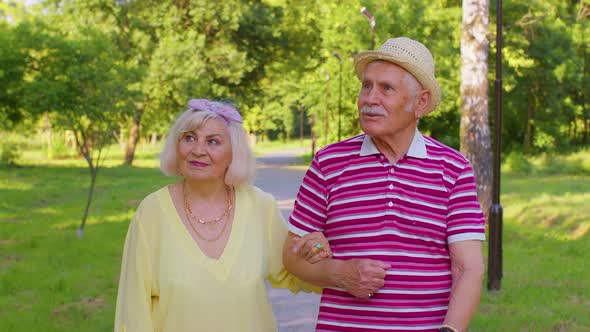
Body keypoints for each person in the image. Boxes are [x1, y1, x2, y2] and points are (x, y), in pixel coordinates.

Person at [283, 37, 486, 332]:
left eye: (386, 88)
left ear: (421, 102)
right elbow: (291, 256)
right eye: (366, 86)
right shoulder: (328, 163)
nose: (370, 99)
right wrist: (340, 272)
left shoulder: (453, 169)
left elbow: (468, 269)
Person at [114, 98, 331, 332]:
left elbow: (296, 273)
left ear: (234, 153)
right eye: (189, 138)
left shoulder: (260, 206)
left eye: (213, 142)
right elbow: (133, 309)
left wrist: (319, 252)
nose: (198, 150)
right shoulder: (151, 212)